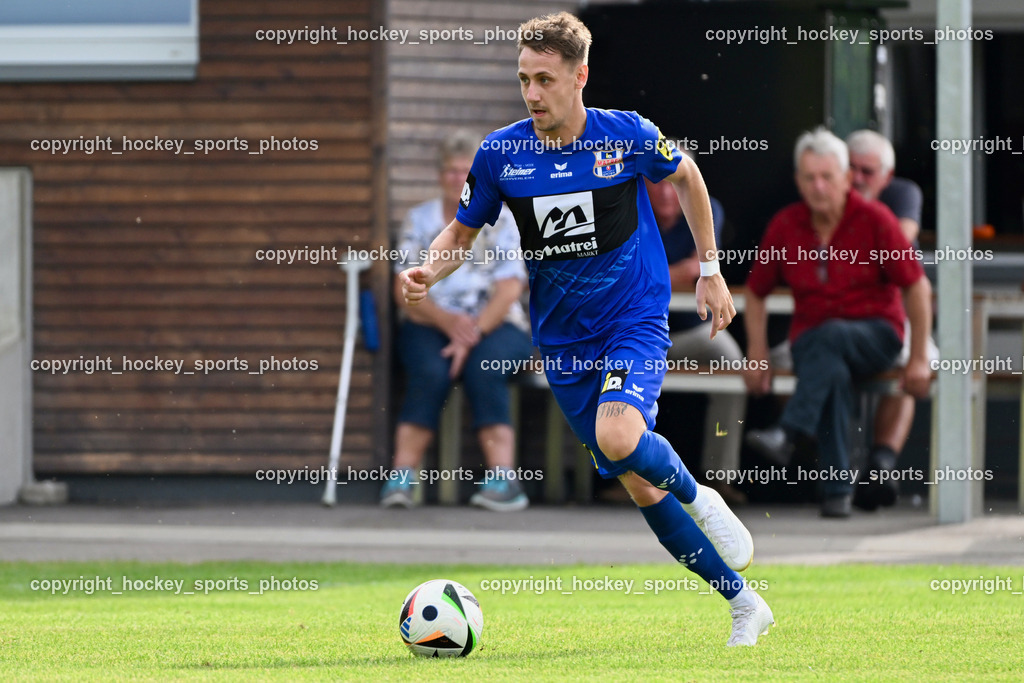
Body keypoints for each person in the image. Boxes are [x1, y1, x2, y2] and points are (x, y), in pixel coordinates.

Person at [399, 12, 772, 646]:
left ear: (580, 76)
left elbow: (688, 177)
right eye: (523, 79)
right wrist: (427, 270)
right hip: (563, 339)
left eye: (545, 79)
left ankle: (702, 497)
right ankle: (742, 603)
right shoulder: (501, 154)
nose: (532, 94)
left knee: (622, 436)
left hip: (633, 317)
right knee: (632, 480)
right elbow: (462, 232)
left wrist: (711, 271)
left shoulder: (625, 136)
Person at [743, 128, 933, 518]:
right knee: (829, 369)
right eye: (809, 177)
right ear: (797, 181)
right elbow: (756, 291)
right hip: (813, 340)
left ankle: (789, 431)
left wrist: (917, 356)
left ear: (846, 179)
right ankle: (836, 494)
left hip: (877, 334)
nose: (818, 186)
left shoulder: (876, 219)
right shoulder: (786, 224)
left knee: (825, 342)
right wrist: (757, 352)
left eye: (827, 176)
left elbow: (916, 287)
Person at [380, 130, 534, 512]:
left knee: (486, 367)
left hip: (497, 323)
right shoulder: (420, 220)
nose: (457, 179)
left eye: (465, 171)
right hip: (430, 321)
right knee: (430, 370)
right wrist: (449, 323)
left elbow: (510, 287)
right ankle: (402, 477)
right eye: (450, 171)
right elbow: (406, 285)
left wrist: (472, 332)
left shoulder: (503, 221)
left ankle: (504, 481)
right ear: (439, 176)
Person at [645, 171, 748, 505]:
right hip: (638, 334)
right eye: (658, 182)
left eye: (674, 184)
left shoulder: (705, 205)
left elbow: (695, 269)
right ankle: (630, 478)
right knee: (604, 368)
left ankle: (719, 478)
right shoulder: (628, 207)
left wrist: (651, 274)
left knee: (731, 362)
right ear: (644, 183)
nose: (665, 193)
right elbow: (622, 273)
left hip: (690, 331)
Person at [845, 129, 929, 510]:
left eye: (867, 170)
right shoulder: (823, 188)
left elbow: (902, 253)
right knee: (785, 360)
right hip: (829, 313)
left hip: (887, 312)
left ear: (886, 176)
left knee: (915, 360)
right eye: (851, 169)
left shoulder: (902, 194)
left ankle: (881, 462)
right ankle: (816, 460)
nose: (858, 178)